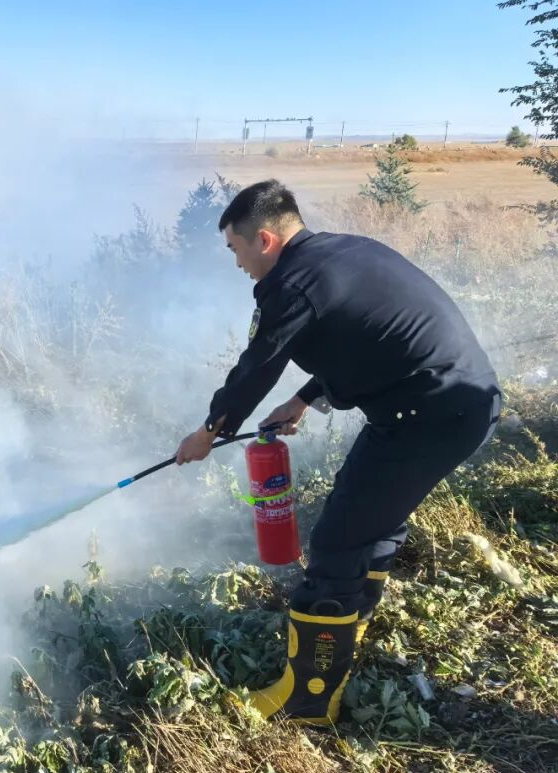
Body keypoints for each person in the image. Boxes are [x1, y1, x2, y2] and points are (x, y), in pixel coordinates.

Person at [175, 180, 501, 724]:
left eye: (234, 250)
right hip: (454, 405)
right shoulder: (343, 252)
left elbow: (258, 366)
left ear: (264, 240)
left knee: (336, 543)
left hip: (428, 416)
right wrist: (304, 399)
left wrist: (209, 430)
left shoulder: (292, 285)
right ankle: (348, 622)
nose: (236, 265)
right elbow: (366, 336)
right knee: (371, 521)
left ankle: (308, 699)